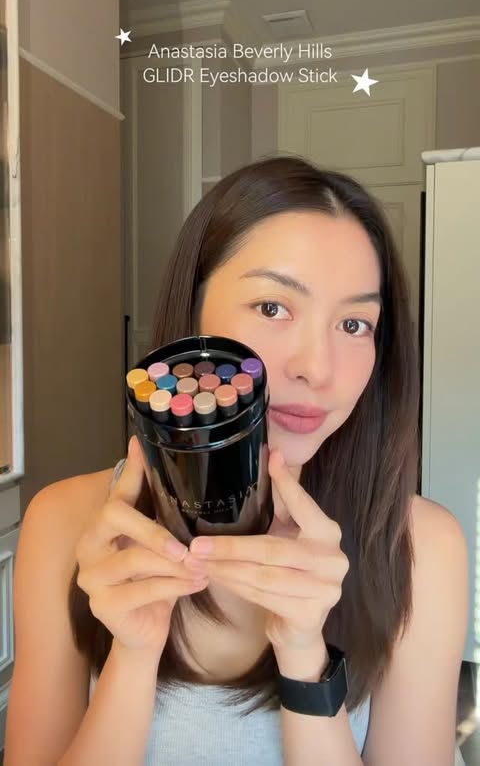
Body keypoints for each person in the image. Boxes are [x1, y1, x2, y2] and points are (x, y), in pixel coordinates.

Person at [5, 156, 468, 765]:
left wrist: (305, 659)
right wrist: (133, 656)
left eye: (355, 323)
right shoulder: (67, 523)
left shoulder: (418, 546)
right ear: (194, 315)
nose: (317, 368)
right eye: (273, 308)